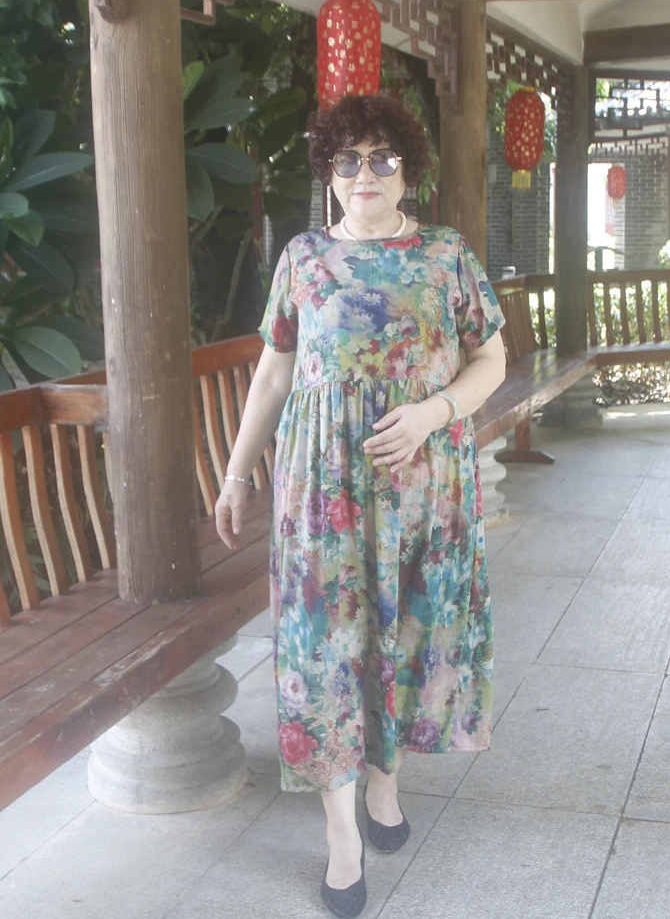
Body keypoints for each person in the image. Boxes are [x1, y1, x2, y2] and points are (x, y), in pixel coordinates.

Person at [215, 93, 507, 918]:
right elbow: (275, 371)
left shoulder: (446, 254)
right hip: (322, 494)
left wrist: (432, 412)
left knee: (404, 634)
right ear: (329, 173)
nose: (365, 173)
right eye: (348, 160)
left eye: (382, 157)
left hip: (424, 488)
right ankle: (342, 835)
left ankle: (386, 782)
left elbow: (490, 358)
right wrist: (237, 474)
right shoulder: (304, 258)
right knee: (324, 649)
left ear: (408, 168)